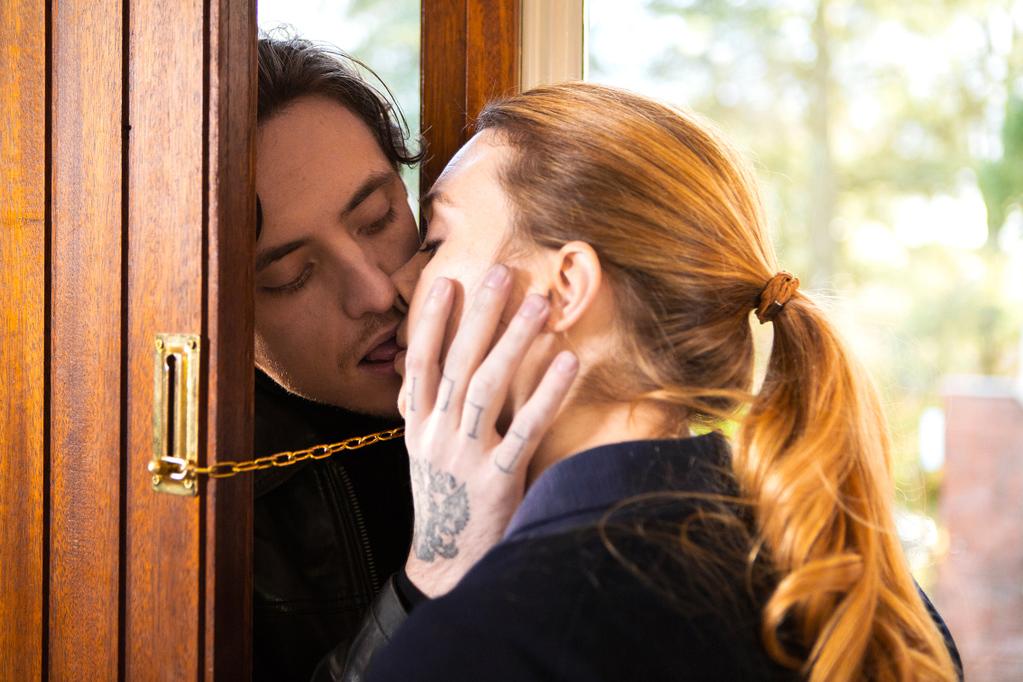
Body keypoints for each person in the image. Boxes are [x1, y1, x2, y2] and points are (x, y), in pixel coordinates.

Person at [356, 82, 963, 681]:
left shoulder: (480, 646)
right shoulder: (878, 610)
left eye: (433, 243)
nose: (399, 284)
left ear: (566, 287)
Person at [253, 35, 569, 681]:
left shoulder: (555, 384)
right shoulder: (186, 505)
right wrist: (434, 571)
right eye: (289, 275)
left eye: (377, 219)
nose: (377, 291)